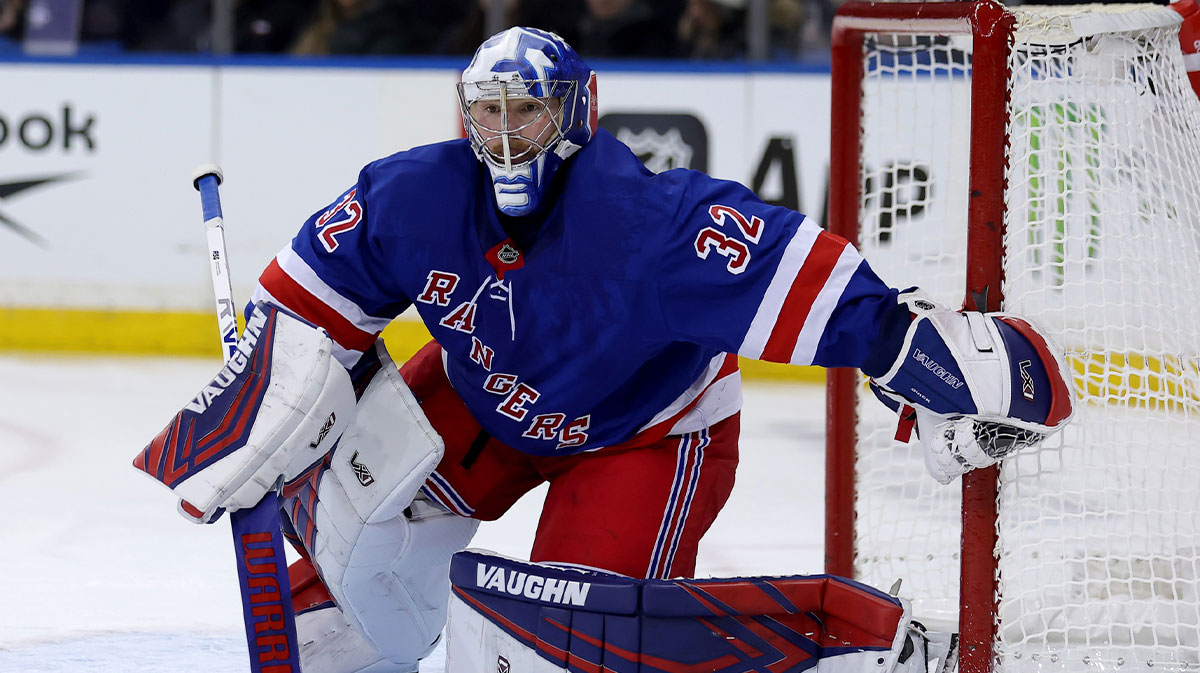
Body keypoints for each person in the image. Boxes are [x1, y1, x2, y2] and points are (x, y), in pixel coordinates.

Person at [135, 27, 1073, 673]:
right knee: (331, 616)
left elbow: (804, 278)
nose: (503, 137)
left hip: (645, 435)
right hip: (484, 404)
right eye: (487, 112)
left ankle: (857, 639)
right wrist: (257, 414)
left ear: (577, 113)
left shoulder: (652, 227)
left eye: (527, 113)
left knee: (570, 654)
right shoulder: (412, 196)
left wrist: (910, 345)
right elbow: (302, 316)